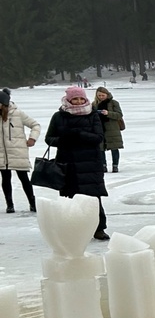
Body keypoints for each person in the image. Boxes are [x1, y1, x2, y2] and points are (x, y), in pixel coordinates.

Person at [45, 85, 108, 240]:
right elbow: (49, 139)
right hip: (68, 163)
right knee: (69, 198)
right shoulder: (58, 116)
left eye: (81, 98)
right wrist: (65, 139)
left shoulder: (92, 115)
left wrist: (80, 134)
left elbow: (99, 138)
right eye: (75, 99)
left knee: (93, 197)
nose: (79, 101)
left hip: (90, 163)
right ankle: (72, 229)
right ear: (68, 99)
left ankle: (98, 228)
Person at [1, 87, 39, 214]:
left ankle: (32, 203)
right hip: (2, 154)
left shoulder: (17, 114)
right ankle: (10, 205)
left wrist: (32, 138)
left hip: (18, 152)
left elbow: (35, 125)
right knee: (5, 178)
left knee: (24, 178)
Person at [93, 86, 124, 173]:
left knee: (114, 147)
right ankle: (103, 166)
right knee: (100, 148)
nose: (101, 97)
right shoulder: (94, 104)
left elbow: (119, 115)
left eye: (103, 95)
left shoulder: (114, 103)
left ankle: (115, 166)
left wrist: (108, 113)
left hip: (112, 128)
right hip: (99, 128)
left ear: (107, 94)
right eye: (99, 95)